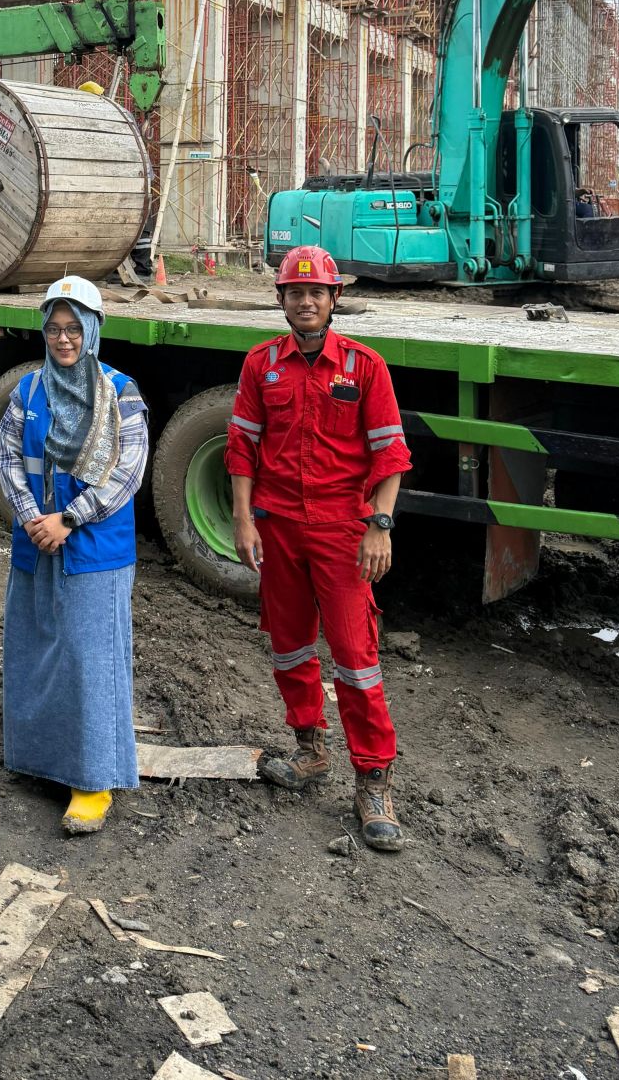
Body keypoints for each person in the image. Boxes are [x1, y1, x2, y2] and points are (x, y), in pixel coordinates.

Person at [225, 245, 412, 852]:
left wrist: (378, 526)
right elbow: (241, 449)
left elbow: (390, 456)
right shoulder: (262, 366)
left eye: (317, 293)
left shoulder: (365, 367)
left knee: (355, 657)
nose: (306, 302)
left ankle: (373, 779)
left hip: (341, 531)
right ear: (281, 300)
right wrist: (244, 521)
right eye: (294, 293)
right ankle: (310, 750)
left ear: (334, 300)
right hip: (277, 527)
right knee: (289, 646)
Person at [0, 276, 149, 835]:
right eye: (55, 329)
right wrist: (34, 518)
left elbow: (127, 472)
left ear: (93, 331)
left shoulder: (120, 392)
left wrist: (69, 519)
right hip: (37, 540)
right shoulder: (27, 392)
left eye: (74, 329)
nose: (64, 340)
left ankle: (92, 781)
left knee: (90, 659)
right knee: (34, 649)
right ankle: (40, 758)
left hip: (93, 546)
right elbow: (9, 457)